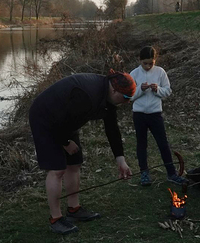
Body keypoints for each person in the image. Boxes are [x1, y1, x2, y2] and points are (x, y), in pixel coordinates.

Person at [28, 71, 136, 234]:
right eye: (126, 97)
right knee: (57, 169)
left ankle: (74, 209)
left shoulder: (108, 97)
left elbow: (112, 128)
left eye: (130, 99)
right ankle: (56, 219)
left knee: (74, 163)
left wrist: (120, 159)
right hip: (45, 118)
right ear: (114, 90)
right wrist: (65, 142)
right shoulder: (86, 95)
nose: (126, 102)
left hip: (66, 121)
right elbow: (58, 120)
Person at [128, 46, 182, 186]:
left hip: (155, 114)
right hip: (139, 114)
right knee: (141, 144)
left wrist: (157, 89)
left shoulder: (160, 72)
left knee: (163, 143)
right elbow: (129, 96)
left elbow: (168, 91)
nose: (147, 66)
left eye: (150, 63)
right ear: (140, 60)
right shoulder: (134, 74)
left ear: (155, 60)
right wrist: (140, 89)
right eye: (145, 63)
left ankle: (171, 173)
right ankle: (144, 173)